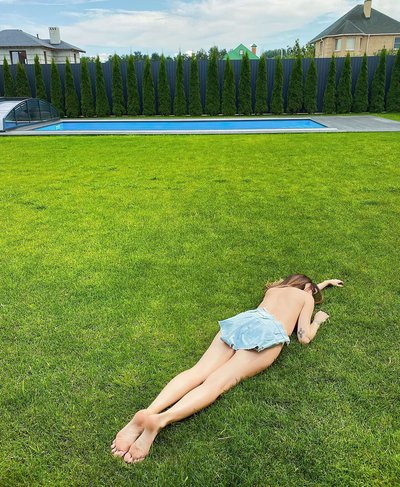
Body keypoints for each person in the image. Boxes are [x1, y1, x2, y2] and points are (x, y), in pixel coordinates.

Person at [111, 274, 344, 464]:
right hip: (269, 332)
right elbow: (303, 337)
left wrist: (324, 283)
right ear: (307, 288)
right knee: (216, 383)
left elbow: (301, 287)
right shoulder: (305, 298)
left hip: (245, 321)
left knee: (197, 371)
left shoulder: (274, 290)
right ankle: (161, 420)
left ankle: (149, 411)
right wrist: (317, 320)